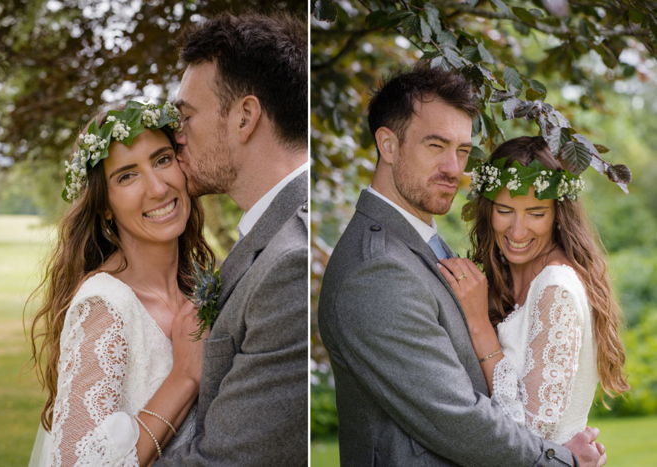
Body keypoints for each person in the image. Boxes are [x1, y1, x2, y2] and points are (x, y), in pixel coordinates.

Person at [318, 65, 607, 466]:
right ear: (388, 145)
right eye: (435, 146)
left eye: (463, 150)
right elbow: (456, 417)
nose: (454, 169)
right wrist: (559, 459)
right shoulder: (377, 269)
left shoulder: (420, 243)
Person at [153, 12, 308, 466]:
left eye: (186, 117)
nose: (176, 138)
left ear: (244, 117)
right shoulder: (269, 234)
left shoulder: (289, 263)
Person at [28, 100, 213, 466]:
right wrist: (184, 376)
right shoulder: (105, 304)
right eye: (127, 176)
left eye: (162, 159)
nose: (158, 188)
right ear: (105, 205)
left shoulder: (202, 288)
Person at [436, 136, 629, 445]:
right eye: (504, 210)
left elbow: (530, 438)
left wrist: (478, 323)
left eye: (536, 213)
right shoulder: (514, 280)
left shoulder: (556, 288)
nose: (517, 230)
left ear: (558, 215)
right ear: (488, 209)